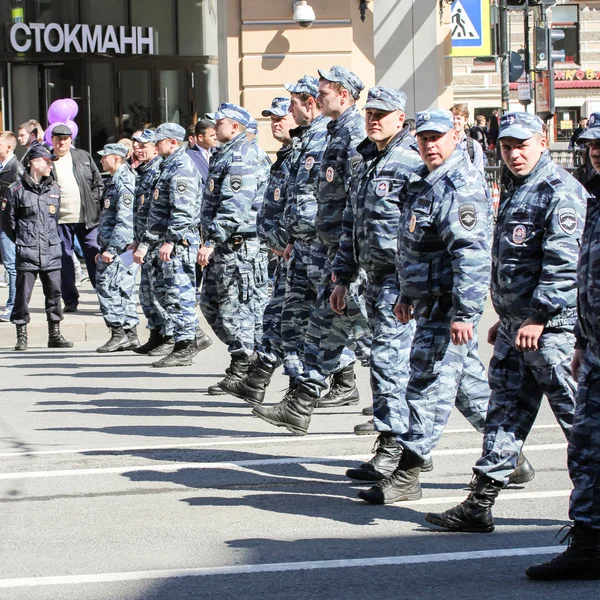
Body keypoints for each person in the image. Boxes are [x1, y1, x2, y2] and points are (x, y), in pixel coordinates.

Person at [425, 112, 587, 532]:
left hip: (550, 333)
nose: (514, 154)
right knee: (503, 416)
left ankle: (593, 519)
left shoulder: (558, 191)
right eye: (507, 146)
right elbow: (512, 261)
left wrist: (537, 317)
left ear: (543, 142)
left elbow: (563, 266)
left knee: (581, 423)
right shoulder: (520, 188)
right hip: (519, 329)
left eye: (522, 145)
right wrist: (507, 318)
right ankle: (480, 503)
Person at [357, 109, 492, 504]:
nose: (429, 145)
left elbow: (470, 256)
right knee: (464, 385)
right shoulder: (424, 181)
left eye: (437, 138)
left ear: (454, 137)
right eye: (423, 139)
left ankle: (409, 473)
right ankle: (509, 456)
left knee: (426, 387)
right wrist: (406, 293)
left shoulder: (459, 185)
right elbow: (410, 245)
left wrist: (465, 313)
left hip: (449, 306)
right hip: (428, 302)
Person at [252, 65, 371, 435]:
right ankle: (300, 406)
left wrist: (347, 257)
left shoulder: (351, 133)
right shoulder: (334, 132)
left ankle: (396, 416)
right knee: (324, 328)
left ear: (344, 95)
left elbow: (357, 199)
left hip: (346, 254)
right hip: (328, 250)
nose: (318, 97)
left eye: (324, 91)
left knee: (372, 336)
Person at [331, 87, 425, 481]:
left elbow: (423, 230)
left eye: (382, 114)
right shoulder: (365, 161)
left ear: (399, 119)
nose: (374, 120)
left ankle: (394, 446)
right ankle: (507, 456)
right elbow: (353, 225)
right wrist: (342, 276)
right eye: (370, 112)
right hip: (373, 279)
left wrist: (413, 286)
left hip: (401, 282)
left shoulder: (410, 162)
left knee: (388, 363)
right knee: (451, 376)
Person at [526, 113, 600, 580]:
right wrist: (583, 339)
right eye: (592, 145)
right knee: (586, 446)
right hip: (593, 348)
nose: (596, 152)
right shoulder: (595, 200)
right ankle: (590, 541)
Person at [219, 97, 296, 402]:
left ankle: (328, 386)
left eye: (281, 117)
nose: (276, 123)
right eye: (272, 118)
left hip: (297, 252)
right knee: (277, 319)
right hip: (280, 250)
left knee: (331, 326)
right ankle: (257, 382)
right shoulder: (285, 155)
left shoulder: (303, 153)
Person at [199, 103, 270, 392]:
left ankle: (243, 367)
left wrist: (211, 241)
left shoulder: (241, 156)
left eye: (220, 123)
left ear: (235, 127)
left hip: (239, 247)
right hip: (226, 246)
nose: (214, 128)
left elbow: (234, 207)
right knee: (211, 305)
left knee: (235, 310)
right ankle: (249, 359)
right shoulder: (225, 154)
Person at [136, 123, 210, 368]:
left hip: (179, 243)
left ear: (173, 142)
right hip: (168, 242)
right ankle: (190, 339)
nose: (155, 145)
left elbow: (184, 210)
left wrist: (170, 239)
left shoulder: (181, 167)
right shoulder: (168, 166)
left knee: (181, 296)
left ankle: (184, 347)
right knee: (172, 295)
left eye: (160, 141)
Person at [1, 145, 73, 351]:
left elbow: (54, 218)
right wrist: (23, 240)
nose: (50, 165)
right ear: (34, 162)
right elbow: (8, 223)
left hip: (51, 250)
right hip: (28, 250)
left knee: (55, 294)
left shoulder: (54, 189)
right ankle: (21, 335)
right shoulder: (15, 190)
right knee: (23, 296)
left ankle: (55, 334)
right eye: (47, 161)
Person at [51, 123, 104, 312]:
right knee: (64, 260)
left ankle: (104, 297)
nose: (62, 142)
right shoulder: (47, 160)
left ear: (70, 140)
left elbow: (98, 183)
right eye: (58, 138)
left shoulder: (82, 156)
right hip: (59, 220)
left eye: (65, 139)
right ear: (52, 140)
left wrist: (94, 202)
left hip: (87, 218)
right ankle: (70, 300)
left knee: (94, 253)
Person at [95, 143, 139, 353]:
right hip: (116, 246)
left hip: (120, 247)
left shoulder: (124, 180)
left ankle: (118, 333)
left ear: (117, 159)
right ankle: (131, 335)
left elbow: (125, 221)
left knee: (107, 285)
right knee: (122, 288)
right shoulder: (114, 180)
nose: (102, 160)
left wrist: (111, 250)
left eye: (105, 157)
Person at [130, 129, 169, 356]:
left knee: (160, 292)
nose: (138, 148)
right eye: (136, 145)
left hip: (157, 242)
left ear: (155, 147)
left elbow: (157, 211)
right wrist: (137, 239)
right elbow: (143, 211)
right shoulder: (144, 171)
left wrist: (147, 241)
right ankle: (155, 334)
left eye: (143, 145)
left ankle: (170, 336)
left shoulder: (157, 171)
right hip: (145, 240)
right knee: (147, 293)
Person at [0, 131, 23, 322]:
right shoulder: (2, 166)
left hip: (7, 224)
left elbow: (17, 201)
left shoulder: (16, 169)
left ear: (9, 147)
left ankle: (13, 306)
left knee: (11, 266)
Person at [450, 103, 485, 174]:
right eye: (453, 118)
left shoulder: (474, 145)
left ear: (465, 121)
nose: (455, 121)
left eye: (458, 118)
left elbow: (479, 174)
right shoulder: (444, 144)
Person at [185, 120, 217, 188]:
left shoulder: (219, 153)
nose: (215, 138)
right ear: (201, 138)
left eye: (216, 134)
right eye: (212, 136)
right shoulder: (188, 156)